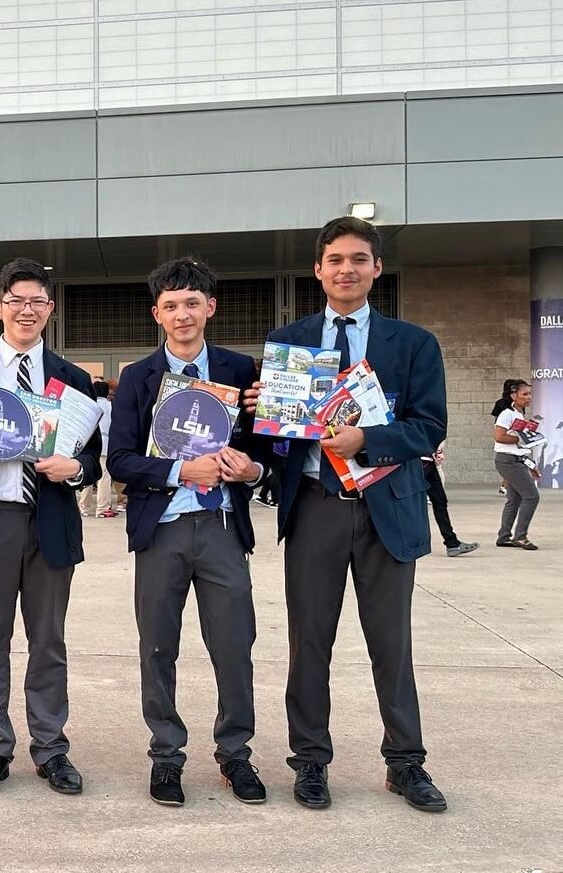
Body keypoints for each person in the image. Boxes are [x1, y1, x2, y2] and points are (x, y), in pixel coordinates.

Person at [244, 216, 449, 813]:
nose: (347, 270)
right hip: (315, 510)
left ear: (376, 269)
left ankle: (406, 763)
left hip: (387, 510)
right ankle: (310, 762)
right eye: (335, 260)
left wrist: (369, 440)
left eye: (359, 259)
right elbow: (275, 444)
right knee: (311, 643)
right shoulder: (292, 340)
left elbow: (429, 427)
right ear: (318, 269)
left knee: (392, 645)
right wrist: (262, 415)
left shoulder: (413, 343)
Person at [108, 257, 270, 807]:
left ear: (210, 308)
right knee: (158, 646)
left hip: (223, 526)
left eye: (192, 303)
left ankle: (235, 753)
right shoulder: (137, 378)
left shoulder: (242, 372)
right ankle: (166, 755)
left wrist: (251, 470)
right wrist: (180, 470)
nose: (183, 314)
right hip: (163, 529)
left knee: (233, 645)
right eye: (171, 305)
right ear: (157, 314)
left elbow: (269, 447)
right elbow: (121, 461)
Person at [0, 258, 100, 798]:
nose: (27, 310)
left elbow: (96, 459)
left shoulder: (73, 381)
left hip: (50, 519)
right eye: (17, 301)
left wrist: (75, 469)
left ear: (50, 310)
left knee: (48, 640)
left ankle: (51, 748)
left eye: (37, 302)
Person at [493, 379, 540, 550]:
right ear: (514, 395)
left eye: (529, 394)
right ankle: (521, 536)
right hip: (507, 460)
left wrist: (531, 464)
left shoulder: (519, 414)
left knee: (514, 499)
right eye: (525, 394)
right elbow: (499, 437)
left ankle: (504, 536)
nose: (529, 397)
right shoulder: (507, 413)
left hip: (515, 459)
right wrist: (521, 438)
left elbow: (519, 447)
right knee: (532, 496)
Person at [422, 444, 478, 557]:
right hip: (415, 463)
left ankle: (452, 543)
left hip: (429, 462)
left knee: (440, 501)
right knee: (415, 505)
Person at [79, 380, 116, 517]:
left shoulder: (91, 405)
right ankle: (102, 508)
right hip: (106, 443)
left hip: (90, 444)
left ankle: (83, 506)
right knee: (104, 477)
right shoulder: (110, 406)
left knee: (88, 475)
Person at [491, 379, 518, 495]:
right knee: (510, 459)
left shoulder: (516, 403)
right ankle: (506, 485)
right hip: (506, 430)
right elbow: (498, 421)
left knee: (515, 460)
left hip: (513, 429)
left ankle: (506, 485)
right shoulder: (502, 403)